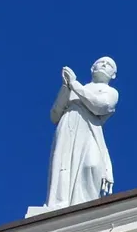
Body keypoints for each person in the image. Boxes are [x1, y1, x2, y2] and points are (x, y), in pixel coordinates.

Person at [46, 58, 118, 209]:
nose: (104, 65)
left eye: (109, 65)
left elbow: (100, 106)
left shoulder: (110, 91)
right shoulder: (73, 87)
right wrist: (66, 88)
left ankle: (85, 206)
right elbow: (54, 115)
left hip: (90, 129)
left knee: (92, 165)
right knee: (63, 165)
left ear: (113, 75)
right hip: (69, 125)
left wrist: (74, 84)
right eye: (101, 62)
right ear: (92, 68)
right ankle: (60, 204)